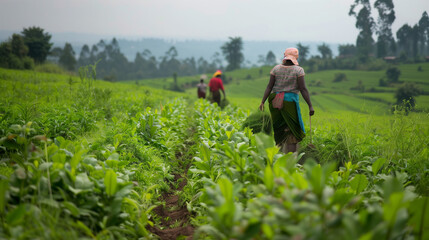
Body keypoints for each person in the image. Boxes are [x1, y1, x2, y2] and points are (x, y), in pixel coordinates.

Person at [259, 47, 314, 153]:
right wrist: (310, 105)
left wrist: (262, 102)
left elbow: (269, 87)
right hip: (289, 103)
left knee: (279, 129)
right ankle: (290, 160)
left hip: (275, 102)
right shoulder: (298, 70)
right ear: (295, 58)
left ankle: (276, 157)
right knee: (292, 131)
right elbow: (302, 89)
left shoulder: (276, 69)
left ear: (285, 56)